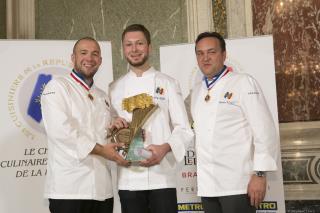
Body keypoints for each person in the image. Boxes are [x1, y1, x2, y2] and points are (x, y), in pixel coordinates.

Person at [190, 32, 278, 213]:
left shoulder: (243, 83)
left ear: (224, 55)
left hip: (239, 185)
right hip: (207, 186)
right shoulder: (197, 91)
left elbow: (264, 131)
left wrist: (260, 174)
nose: (205, 58)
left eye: (211, 52)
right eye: (200, 53)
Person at [109, 24, 194, 213]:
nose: (134, 49)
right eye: (128, 45)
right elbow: (112, 130)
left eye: (139, 43)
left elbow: (184, 128)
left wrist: (164, 148)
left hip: (162, 176)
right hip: (128, 177)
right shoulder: (114, 88)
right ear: (123, 49)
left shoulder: (169, 83)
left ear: (149, 47)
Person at [41, 37, 129, 213]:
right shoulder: (58, 86)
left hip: (102, 190)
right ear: (73, 57)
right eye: (83, 53)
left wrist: (116, 128)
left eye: (95, 54)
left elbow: (102, 131)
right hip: (69, 190)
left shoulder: (103, 96)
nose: (89, 58)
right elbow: (61, 132)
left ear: (100, 61)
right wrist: (103, 150)